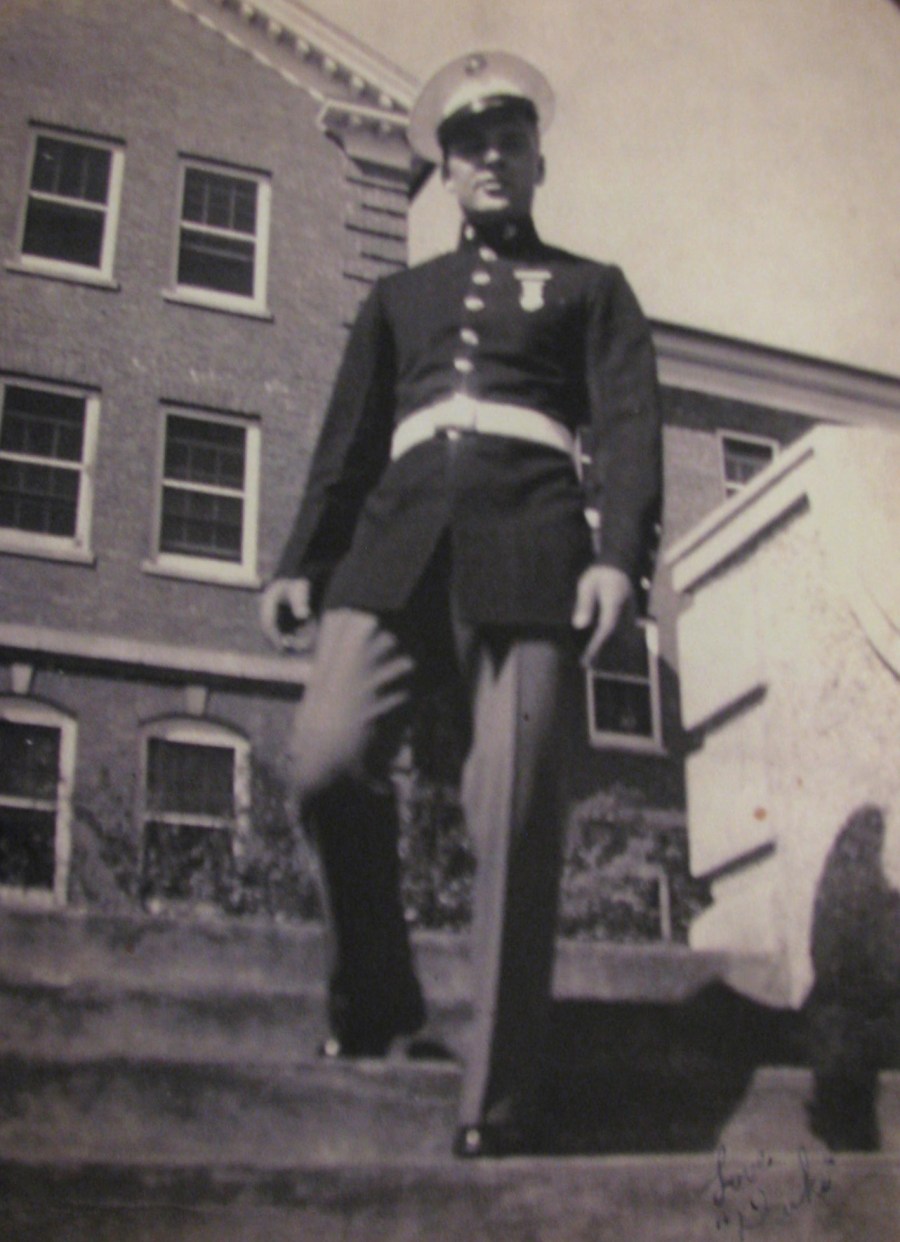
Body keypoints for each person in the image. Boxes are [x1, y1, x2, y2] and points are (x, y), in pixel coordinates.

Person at [260, 50, 662, 1158]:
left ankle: (497, 1098)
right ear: (444, 166)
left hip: (532, 552)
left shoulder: (592, 289)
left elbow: (626, 434)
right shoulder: (399, 299)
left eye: (512, 141)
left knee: (517, 809)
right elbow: (346, 444)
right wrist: (303, 558)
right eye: (471, 144)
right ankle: (379, 1004)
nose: (493, 158)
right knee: (327, 760)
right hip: (391, 552)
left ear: (539, 160)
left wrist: (617, 557)